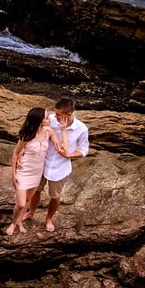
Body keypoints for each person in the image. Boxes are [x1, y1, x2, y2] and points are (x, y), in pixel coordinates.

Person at [25, 97, 89, 232]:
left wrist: (69, 155)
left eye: (59, 114)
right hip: (42, 163)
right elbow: (35, 131)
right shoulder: (51, 119)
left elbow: (84, 150)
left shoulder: (81, 129)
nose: (55, 116)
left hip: (60, 168)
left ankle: (49, 218)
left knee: (54, 196)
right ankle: (31, 212)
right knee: (36, 190)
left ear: (69, 114)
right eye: (55, 113)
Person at [6, 107, 66, 235]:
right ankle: (13, 223)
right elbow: (16, 153)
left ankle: (19, 221)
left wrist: (63, 130)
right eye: (46, 117)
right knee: (21, 204)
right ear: (39, 120)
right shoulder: (26, 135)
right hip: (24, 171)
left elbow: (61, 147)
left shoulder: (49, 131)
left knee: (28, 200)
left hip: (37, 172)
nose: (49, 119)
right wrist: (13, 174)